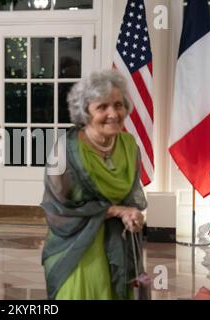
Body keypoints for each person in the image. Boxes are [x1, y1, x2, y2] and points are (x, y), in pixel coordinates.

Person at [41, 69, 147, 300]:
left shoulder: (129, 146)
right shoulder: (66, 151)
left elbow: (131, 197)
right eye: (102, 107)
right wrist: (117, 211)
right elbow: (58, 209)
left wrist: (134, 216)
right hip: (77, 249)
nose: (113, 114)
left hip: (121, 248)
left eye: (118, 105)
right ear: (85, 112)